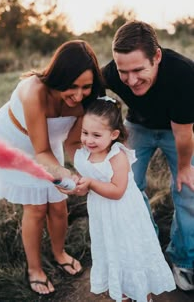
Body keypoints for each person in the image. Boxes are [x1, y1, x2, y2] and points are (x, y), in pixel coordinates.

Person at [0, 40, 104, 295]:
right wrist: (64, 175)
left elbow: (73, 141)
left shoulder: (87, 99)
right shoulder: (34, 92)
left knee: (59, 207)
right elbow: (39, 151)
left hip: (47, 144)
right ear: (58, 77)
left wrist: (82, 172)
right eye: (72, 86)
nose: (78, 95)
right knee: (37, 207)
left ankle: (59, 252)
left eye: (85, 87)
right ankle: (34, 268)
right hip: (16, 141)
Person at [101, 20, 194, 291]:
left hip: (177, 131)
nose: (130, 80)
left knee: (187, 190)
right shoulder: (109, 74)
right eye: (123, 72)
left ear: (157, 57)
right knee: (127, 186)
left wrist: (185, 167)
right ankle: (146, 247)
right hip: (137, 127)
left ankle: (183, 259)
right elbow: (90, 100)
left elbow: (183, 133)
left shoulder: (184, 74)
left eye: (139, 70)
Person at [73, 97, 176, 302]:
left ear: (114, 134)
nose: (88, 140)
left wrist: (91, 183)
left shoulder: (117, 156)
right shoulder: (85, 154)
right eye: (85, 133)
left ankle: (142, 293)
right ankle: (123, 288)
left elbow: (117, 190)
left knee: (131, 250)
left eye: (96, 135)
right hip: (102, 214)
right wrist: (78, 186)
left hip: (123, 214)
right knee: (112, 249)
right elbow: (87, 183)